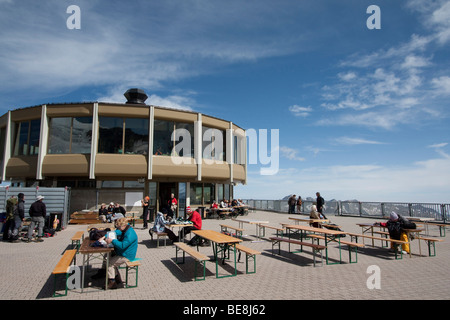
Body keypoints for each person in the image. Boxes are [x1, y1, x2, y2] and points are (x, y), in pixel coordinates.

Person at [96, 217, 138, 289]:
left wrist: (112, 241)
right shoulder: (125, 229)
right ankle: (117, 278)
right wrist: (104, 237)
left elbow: (122, 246)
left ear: (123, 226)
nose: (118, 229)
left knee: (110, 263)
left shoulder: (130, 234)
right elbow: (115, 232)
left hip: (127, 255)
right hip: (123, 252)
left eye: (118, 227)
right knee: (107, 256)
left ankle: (112, 283)